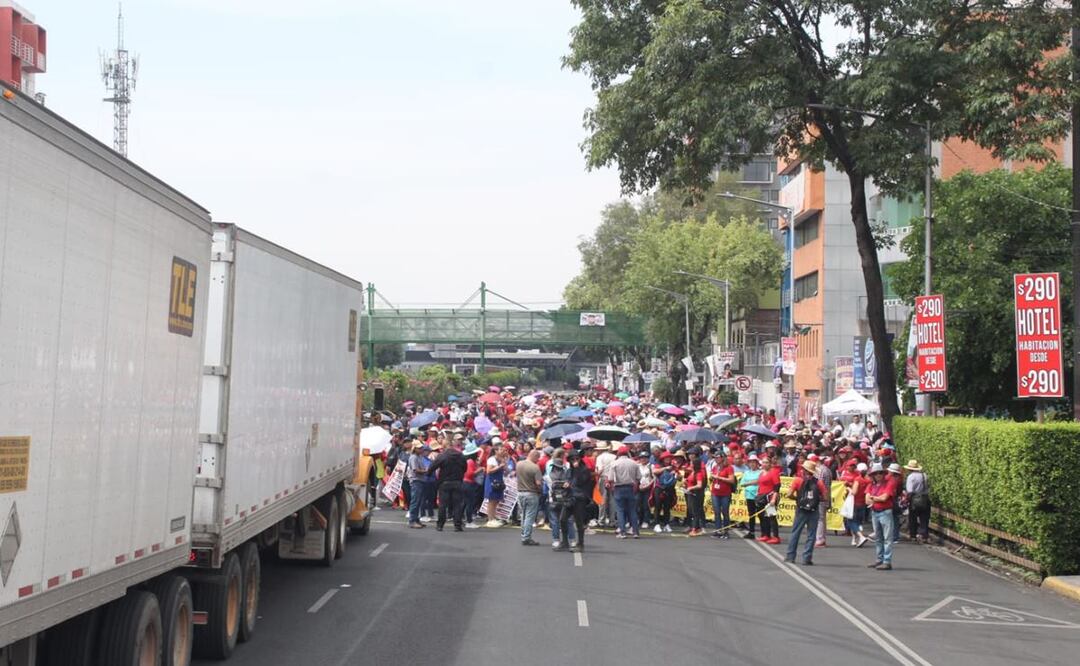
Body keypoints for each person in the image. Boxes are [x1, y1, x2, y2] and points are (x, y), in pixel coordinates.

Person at [785, 460, 829, 565]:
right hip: (813, 510)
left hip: (801, 509)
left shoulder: (797, 480)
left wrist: (797, 498)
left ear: (803, 470)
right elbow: (825, 497)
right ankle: (806, 558)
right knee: (811, 535)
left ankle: (790, 556)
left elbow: (789, 494)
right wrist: (817, 500)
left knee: (795, 533)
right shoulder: (818, 482)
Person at [427, 438, 467, 531]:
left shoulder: (443, 456)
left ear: (444, 446)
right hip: (457, 481)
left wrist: (429, 474)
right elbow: (465, 467)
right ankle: (457, 525)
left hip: (444, 482)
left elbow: (432, 467)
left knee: (443, 505)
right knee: (457, 504)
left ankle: (440, 525)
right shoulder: (460, 455)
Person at [866, 462, 896, 570]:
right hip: (875, 512)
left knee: (887, 538)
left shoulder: (889, 483)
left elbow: (884, 498)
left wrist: (873, 498)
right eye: (876, 473)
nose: (878, 475)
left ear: (883, 474)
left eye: (880, 473)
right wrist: (876, 498)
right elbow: (867, 499)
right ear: (873, 475)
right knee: (878, 538)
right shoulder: (871, 485)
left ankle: (887, 561)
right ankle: (879, 559)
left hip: (885, 512)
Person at [610, 445, 642, 538]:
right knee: (632, 510)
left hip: (619, 487)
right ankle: (635, 532)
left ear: (618, 453)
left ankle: (622, 532)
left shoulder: (614, 464)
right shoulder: (634, 463)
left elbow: (611, 478)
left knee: (620, 510)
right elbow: (639, 477)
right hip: (630, 487)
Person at [567, 449, 595, 552]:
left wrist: (577, 468)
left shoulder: (584, 470)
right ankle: (565, 542)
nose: (575, 460)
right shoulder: (570, 470)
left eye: (576, 459)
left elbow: (582, 481)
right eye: (572, 459)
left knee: (579, 522)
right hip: (570, 497)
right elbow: (569, 480)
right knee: (563, 519)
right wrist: (566, 484)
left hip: (580, 498)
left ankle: (581, 543)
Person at [547, 449, 574, 550]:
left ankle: (556, 540)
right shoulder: (567, 476)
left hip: (553, 500)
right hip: (565, 500)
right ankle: (571, 539)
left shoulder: (548, 477)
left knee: (554, 521)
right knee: (569, 520)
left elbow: (546, 489)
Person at [517, 450, 544, 545]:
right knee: (529, 516)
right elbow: (538, 483)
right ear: (534, 456)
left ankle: (524, 534)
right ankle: (526, 537)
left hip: (520, 492)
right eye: (538, 458)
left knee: (523, 515)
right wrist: (540, 490)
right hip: (531, 493)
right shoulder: (535, 467)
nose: (538, 460)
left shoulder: (519, 464)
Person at [903, 460, 931, 543]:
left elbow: (910, 490)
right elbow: (927, 487)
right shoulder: (924, 475)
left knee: (913, 518)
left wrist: (906, 499)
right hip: (924, 498)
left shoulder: (911, 477)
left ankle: (913, 536)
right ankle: (924, 535)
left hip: (914, 499)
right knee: (924, 518)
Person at [709, 450, 735, 539]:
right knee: (716, 512)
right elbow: (713, 477)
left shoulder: (729, 468)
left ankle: (726, 531)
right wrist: (712, 477)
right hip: (715, 492)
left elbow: (731, 480)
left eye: (718, 457)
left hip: (725, 493)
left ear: (723, 458)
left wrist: (719, 477)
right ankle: (718, 530)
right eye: (715, 458)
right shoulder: (715, 467)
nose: (716, 459)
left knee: (725, 512)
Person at [756, 455, 782, 545]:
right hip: (762, 496)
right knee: (763, 517)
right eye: (763, 462)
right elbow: (760, 484)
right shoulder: (761, 473)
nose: (764, 464)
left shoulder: (774, 472)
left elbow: (777, 487)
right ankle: (765, 534)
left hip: (770, 497)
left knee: (771, 517)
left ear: (770, 464)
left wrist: (774, 498)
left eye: (766, 462)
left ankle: (776, 536)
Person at [406, 442, 431, 528]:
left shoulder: (420, 456)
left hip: (420, 480)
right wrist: (425, 471)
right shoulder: (413, 457)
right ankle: (412, 521)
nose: (421, 449)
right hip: (416, 480)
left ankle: (416, 519)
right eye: (419, 448)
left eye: (421, 448)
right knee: (415, 501)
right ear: (414, 448)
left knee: (418, 501)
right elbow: (415, 470)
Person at [683, 450, 707, 537]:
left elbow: (699, 485)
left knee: (695, 511)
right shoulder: (692, 472)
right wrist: (685, 482)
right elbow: (690, 481)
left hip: (695, 494)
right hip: (690, 493)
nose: (690, 464)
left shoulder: (699, 473)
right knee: (691, 510)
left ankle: (695, 529)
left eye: (692, 463)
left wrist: (691, 487)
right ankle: (697, 527)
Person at [483, 445, 508, 527]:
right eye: (500, 449)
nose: (502, 451)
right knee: (491, 501)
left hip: (499, 481)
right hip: (492, 481)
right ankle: (490, 519)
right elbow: (489, 471)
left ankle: (494, 517)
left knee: (496, 500)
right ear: (496, 451)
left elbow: (506, 470)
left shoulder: (501, 459)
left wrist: (504, 463)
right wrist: (499, 466)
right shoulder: (491, 459)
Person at [738, 454, 762, 539]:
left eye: (754, 462)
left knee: (761, 515)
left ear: (757, 463)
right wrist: (753, 482)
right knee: (751, 515)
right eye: (751, 462)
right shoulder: (747, 472)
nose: (752, 464)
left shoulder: (760, 472)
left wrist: (748, 483)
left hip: (758, 496)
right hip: (749, 496)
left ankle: (764, 533)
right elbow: (742, 483)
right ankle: (751, 532)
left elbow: (759, 481)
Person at [652, 452, 677, 533]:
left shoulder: (673, 467)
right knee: (658, 506)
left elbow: (679, 476)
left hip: (669, 489)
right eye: (666, 458)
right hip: (659, 488)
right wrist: (665, 468)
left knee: (667, 507)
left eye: (669, 458)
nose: (668, 459)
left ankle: (666, 524)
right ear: (663, 459)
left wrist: (675, 473)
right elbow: (655, 471)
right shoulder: (658, 465)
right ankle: (657, 524)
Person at [594, 442, 617, 527]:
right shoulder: (614, 457)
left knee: (602, 500)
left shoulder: (600, 457)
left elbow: (600, 469)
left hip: (603, 478)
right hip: (613, 479)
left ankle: (601, 520)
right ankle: (612, 521)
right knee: (612, 500)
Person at [462, 441, 483, 528]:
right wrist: (480, 470)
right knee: (469, 503)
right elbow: (470, 474)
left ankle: (461, 519)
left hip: (466, 483)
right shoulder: (470, 462)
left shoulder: (469, 461)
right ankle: (469, 521)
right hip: (468, 483)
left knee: (465, 503)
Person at [635, 450, 654, 530]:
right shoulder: (637, 466)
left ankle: (646, 521)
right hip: (639, 487)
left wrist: (648, 485)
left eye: (645, 458)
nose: (643, 459)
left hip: (648, 488)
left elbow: (654, 478)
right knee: (637, 504)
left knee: (646, 505)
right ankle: (639, 519)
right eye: (641, 458)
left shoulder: (651, 466)